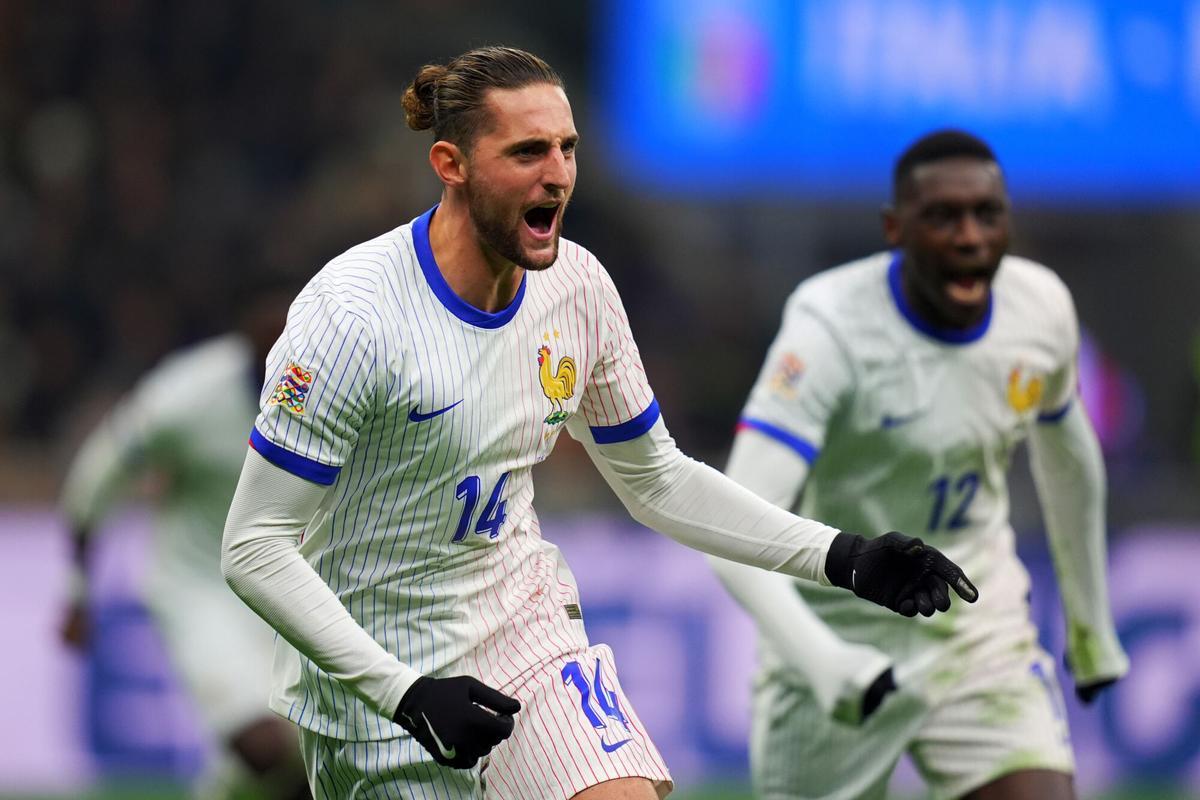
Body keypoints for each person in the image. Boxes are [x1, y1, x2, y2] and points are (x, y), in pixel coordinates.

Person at [219, 47, 977, 800]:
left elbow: (656, 479)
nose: (557, 174)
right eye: (527, 151)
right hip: (377, 698)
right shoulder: (352, 316)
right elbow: (254, 546)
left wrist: (843, 557)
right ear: (451, 165)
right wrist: (405, 693)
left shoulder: (577, 288)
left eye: (567, 148)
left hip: (527, 640)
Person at [708, 129, 1129, 800]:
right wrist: (825, 662)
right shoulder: (830, 327)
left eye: (986, 215)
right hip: (836, 635)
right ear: (894, 228)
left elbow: (1069, 459)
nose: (969, 237)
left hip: (977, 634)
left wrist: (1090, 624)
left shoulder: (1040, 307)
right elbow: (734, 528)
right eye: (942, 216)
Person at [59, 284, 310, 800]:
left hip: (289, 588)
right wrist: (78, 589)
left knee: (311, 754)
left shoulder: (323, 390)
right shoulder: (188, 398)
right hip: (200, 586)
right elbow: (95, 478)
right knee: (266, 747)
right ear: (252, 341)